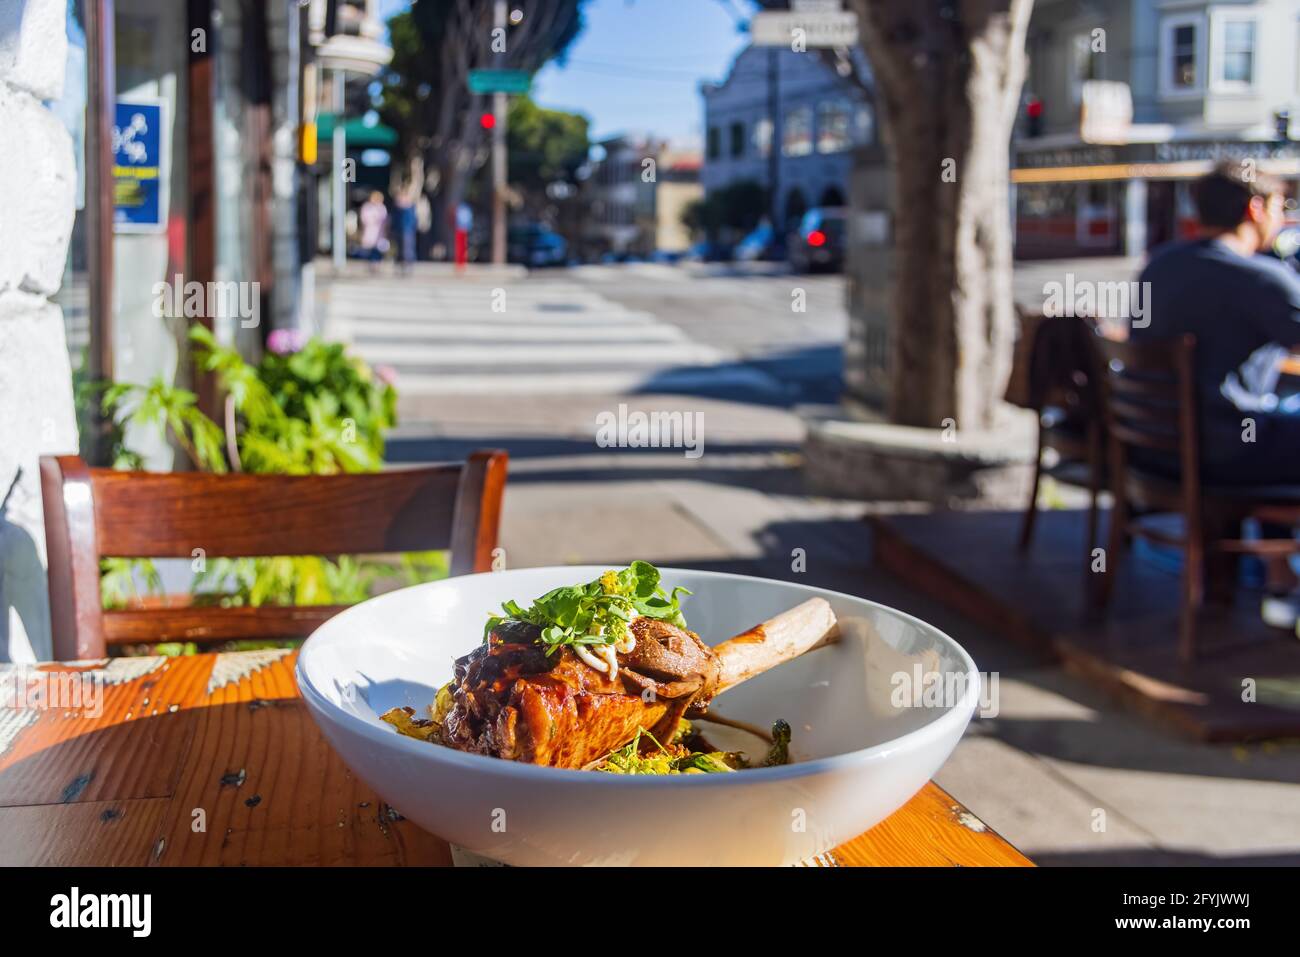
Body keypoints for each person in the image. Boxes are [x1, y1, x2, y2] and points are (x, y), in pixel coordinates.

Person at [1133, 160, 1300, 632]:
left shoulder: (1158, 266)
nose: (1283, 218)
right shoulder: (1262, 278)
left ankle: (1276, 571)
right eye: (1280, 206)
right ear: (1255, 208)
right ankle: (1280, 574)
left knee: (1274, 417)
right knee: (1273, 422)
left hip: (1156, 451)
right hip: (1225, 454)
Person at [358, 191, 389, 271]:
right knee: (369, 249)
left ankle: (377, 264)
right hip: (369, 231)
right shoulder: (367, 207)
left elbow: (384, 221)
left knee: (378, 249)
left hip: (379, 232)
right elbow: (364, 219)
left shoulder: (382, 207)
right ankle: (371, 264)